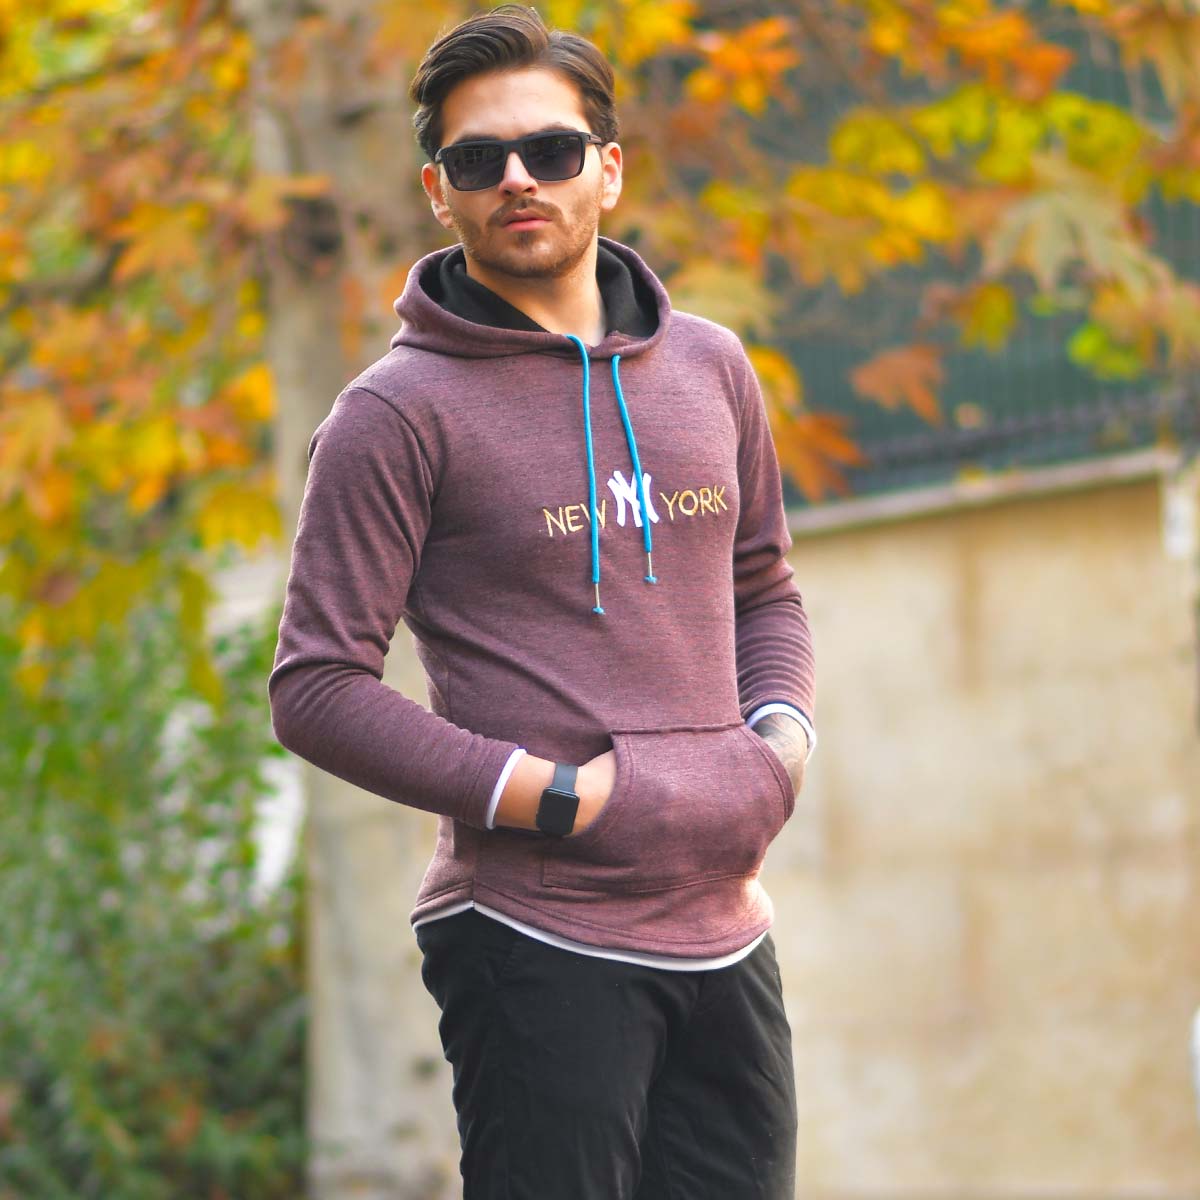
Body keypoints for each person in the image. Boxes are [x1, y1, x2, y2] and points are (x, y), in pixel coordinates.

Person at [268, 6, 817, 1197]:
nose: (518, 178)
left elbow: (763, 583)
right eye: (479, 159)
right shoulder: (393, 416)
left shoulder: (712, 368)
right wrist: (551, 798)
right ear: (439, 191)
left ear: (607, 169)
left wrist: (779, 746)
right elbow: (316, 688)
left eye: (551, 150)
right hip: (534, 929)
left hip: (725, 925)